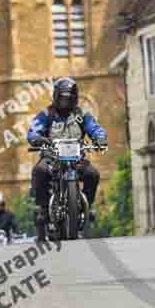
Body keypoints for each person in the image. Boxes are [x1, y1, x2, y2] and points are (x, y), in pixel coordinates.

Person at [27, 77, 108, 240]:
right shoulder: (46, 114)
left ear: (74, 98)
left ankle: (88, 206)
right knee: (39, 171)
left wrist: (100, 138)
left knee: (93, 174)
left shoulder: (82, 115)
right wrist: (36, 138)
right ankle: (43, 209)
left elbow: (95, 128)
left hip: (77, 159)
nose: (65, 102)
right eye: (62, 98)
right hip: (52, 158)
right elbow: (33, 130)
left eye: (68, 99)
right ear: (56, 97)